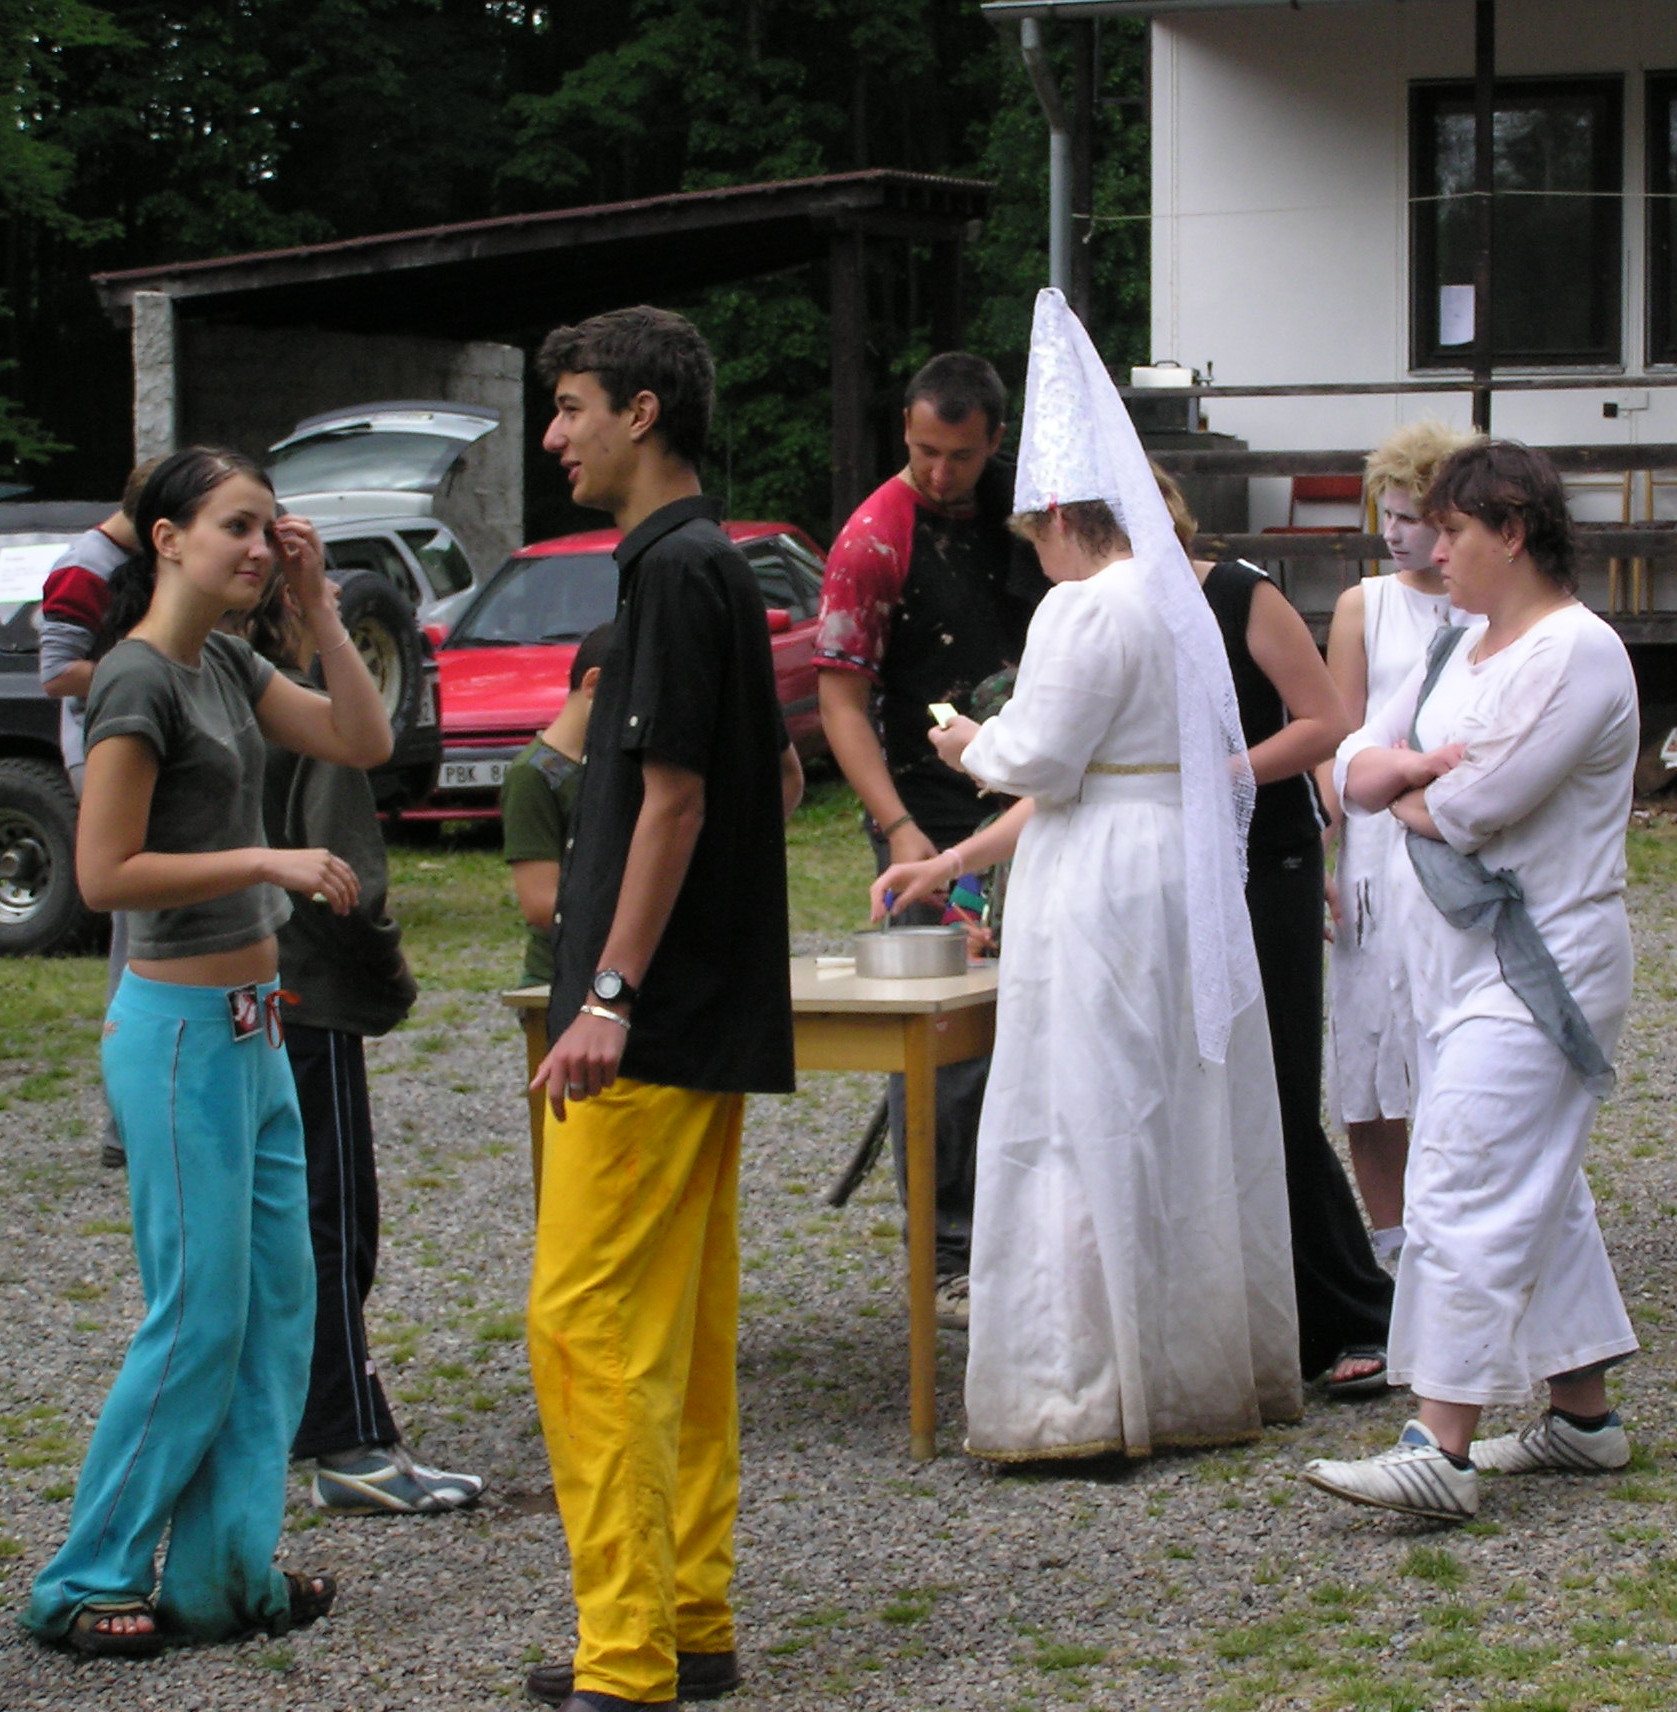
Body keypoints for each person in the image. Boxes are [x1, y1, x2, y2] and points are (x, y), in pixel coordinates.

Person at [874, 289, 1299, 1463]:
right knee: (1171, 1097)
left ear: (1061, 512)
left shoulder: (1083, 605)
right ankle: (1188, 1360)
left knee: (1079, 1104)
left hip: (1099, 866)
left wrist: (968, 742)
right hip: (1172, 855)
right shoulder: (1176, 597)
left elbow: (1041, 757)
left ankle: (1083, 1387)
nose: (1038, 557)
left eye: (1038, 536)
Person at [25, 446, 392, 1652]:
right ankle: (84, 1579)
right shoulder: (136, 678)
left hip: (254, 1024)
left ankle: (222, 1577)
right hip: (176, 1036)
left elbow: (361, 736)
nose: (257, 546)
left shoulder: (227, 662)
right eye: (236, 525)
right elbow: (103, 873)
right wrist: (264, 859)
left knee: (277, 1309)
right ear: (167, 537)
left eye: (268, 528)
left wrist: (320, 606)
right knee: (195, 1317)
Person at [522, 306, 803, 1712]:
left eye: (571, 407)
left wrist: (608, 995)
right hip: (691, 1022)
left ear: (642, 413)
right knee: (676, 1335)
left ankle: (625, 1660)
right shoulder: (700, 572)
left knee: (584, 1327)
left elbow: (676, 802)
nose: (553, 436)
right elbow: (769, 781)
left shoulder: (681, 573)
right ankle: (687, 1624)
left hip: (649, 1028)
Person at [1303, 440, 1640, 1525]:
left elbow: (1472, 808)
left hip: (1544, 964)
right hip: (1456, 964)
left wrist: (1410, 789)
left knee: (1458, 1174)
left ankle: (1437, 1444)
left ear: (1512, 531)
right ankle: (1582, 1418)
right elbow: (1353, 768)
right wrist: (1407, 773)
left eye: (1451, 530)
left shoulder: (1576, 652)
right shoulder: (1457, 648)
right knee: (1537, 1186)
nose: (1430, 548)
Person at [242, 580, 487, 1516]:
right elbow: (348, 871)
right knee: (331, 1215)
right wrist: (384, 974)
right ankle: (346, 1440)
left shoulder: (204, 680)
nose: (340, 599)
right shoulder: (295, 701)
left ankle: (288, 1424)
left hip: (232, 991)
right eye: (323, 589)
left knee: (266, 1220)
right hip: (305, 988)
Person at [815, 351, 1045, 1324]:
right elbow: (839, 703)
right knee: (945, 1034)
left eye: (959, 455)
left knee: (1034, 1018)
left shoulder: (1030, 513)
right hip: (925, 807)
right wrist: (899, 828)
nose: (939, 473)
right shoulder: (873, 537)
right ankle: (946, 1253)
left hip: (1030, 796)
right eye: (922, 451)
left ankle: (1025, 1237)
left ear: (996, 441)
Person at [1154, 470, 1395, 1401]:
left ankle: (1360, 1311)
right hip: (1173, 870)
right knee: (1199, 1092)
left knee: (1279, 1090)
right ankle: (1254, 1311)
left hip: (1269, 861)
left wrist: (1223, 776)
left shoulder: (1239, 594)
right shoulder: (1109, 614)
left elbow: (1326, 721)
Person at [1320, 420, 1481, 1269]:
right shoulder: (1365, 606)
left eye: (1414, 517)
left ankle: (1461, 1223)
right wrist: (1325, 844)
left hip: (1459, 835)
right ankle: (1392, 1240)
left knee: (1453, 1040)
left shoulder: (1487, 604)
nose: (1396, 533)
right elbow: (1336, 737)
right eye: (1387, 515)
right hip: (1374, 849)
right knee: (1368, 1043)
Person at [38, 464, 155, 1169]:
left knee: (144, 934)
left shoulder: (132, 560)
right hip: (104, 750)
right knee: (136, 933)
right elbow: (57, 672)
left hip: (137, 743)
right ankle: (124, 1126)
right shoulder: (85, 566)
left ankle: (133, 1120)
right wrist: (152, 668)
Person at [502, 626, 612, 985]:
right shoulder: (533, 775)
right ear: (593, 684)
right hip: (560, 977)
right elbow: (540, 904)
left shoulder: (618, 764)